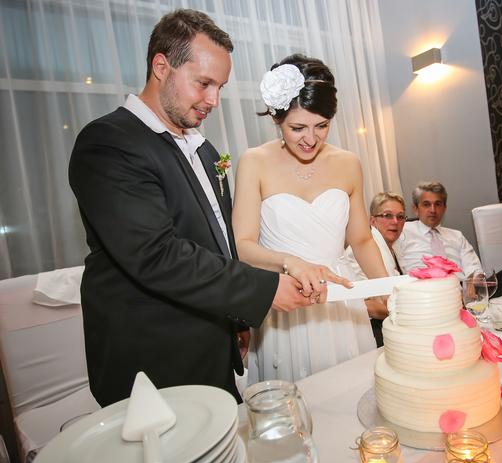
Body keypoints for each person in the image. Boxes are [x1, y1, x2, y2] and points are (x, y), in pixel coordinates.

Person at [68, 10, 309, 407]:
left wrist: (235, 319)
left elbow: (218, 241)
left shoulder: (205, 150)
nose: (214, 100)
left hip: (212, 347)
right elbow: (156, 254)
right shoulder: (109, 143)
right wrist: (263, 290)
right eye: (204, 83)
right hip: (152, 364)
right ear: (161, 66)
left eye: (220, 87)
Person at [232, 54, 389, 383]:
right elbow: (243, 246)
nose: (311, 139)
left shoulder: (348, 163)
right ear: (277, 118)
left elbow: (361, 240)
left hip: (340, 299)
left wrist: (388, 290)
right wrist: (290, 262)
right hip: (286, 300)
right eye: (297, 128)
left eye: (322, 126)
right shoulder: (254, 162)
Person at [346, 192, 406, 347]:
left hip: (388, 321)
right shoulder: (367, 250)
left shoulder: (394, 248)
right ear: (372, 221)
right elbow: (367, 306)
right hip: (372, 329)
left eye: (400, 217)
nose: (395, 222)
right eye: (388, 215)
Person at [395, 181, 483, 277]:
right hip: (420, 284)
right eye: (426, 204)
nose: (433, 210)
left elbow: (475, 269)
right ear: (415, 209)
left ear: (444, 208)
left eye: (437, 204)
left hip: (458, 284)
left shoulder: (457, 236)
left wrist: (475, 280)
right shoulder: (402, 231)